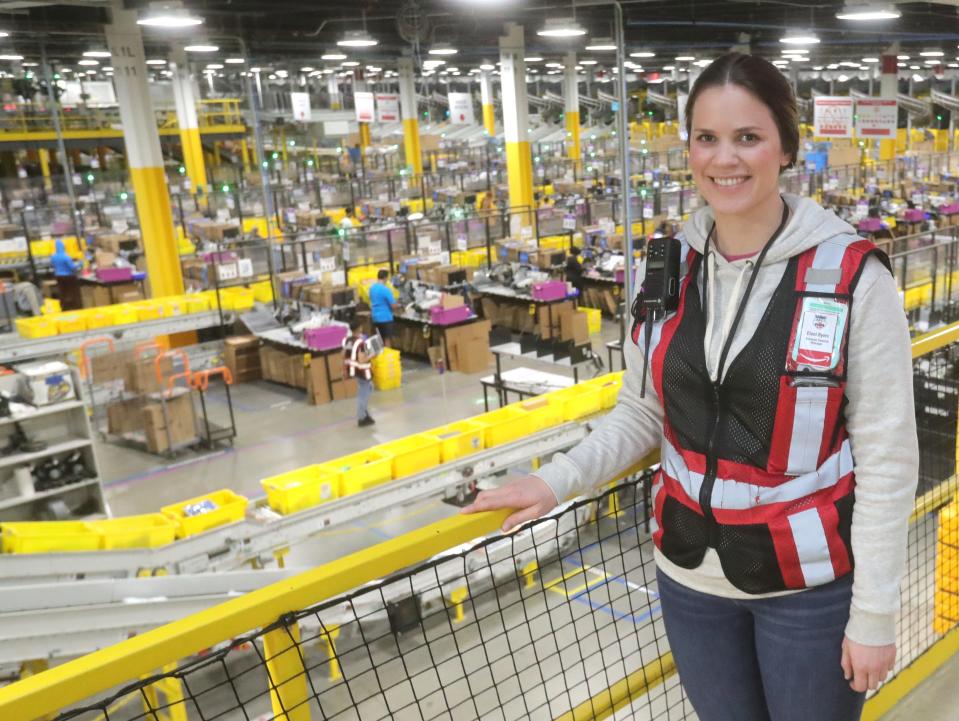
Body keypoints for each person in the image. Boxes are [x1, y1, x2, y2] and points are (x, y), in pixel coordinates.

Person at [463, 52, 917, 721]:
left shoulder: (852, 277)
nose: (724, 159)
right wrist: (553, 480)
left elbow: (886, 458)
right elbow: (641, 414)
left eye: (747, 137)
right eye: (706, 137)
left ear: (786, 147)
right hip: (689, 582)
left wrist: (874, 613)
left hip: (807, 589)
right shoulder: (665, 268)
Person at [342, 318, 374, 427]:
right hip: (363, 371)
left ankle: (364, 413)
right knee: (363, 394)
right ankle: (362, 417)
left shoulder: (348, 340)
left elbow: (344, 354)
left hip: (354, 370)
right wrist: (373, 354)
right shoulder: (360, 343)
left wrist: (344, 370)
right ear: (359, 328)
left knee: (369, 388)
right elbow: (362, 359)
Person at [51, 237, 82, 310]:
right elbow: (72, 267)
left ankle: (64, 307)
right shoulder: (66, 257)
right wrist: (79, 264)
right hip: (68, 276)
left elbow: (53, 265)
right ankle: (74, 306)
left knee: (62, 292)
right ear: (63, 247)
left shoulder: (53, 257)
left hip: (58, 276)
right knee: (72, 291)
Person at [369, 269, 398, 346]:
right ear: (385, 278)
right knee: (387, 339)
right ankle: (387, 356)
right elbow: (393, 305)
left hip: (375, 317)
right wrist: (397, 306)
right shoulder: (385, 290)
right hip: (385, 318)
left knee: (379, 339)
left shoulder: (372, 288)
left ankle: (379, 357)